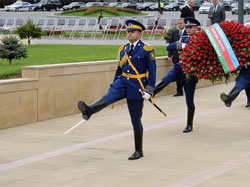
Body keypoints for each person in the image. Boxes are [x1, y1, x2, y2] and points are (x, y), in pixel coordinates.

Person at [77, 20, 156, 160]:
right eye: (128, 31)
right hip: (122, 82)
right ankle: (90, 110)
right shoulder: (123, 49)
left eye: (132, 32)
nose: (129, 33)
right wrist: (114, 83)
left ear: (139, 33)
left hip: (137, 85)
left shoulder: (147, 49)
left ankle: (139, 150)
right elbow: (119, 68)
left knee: (135, 120)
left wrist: (149, 89)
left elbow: (152, 71)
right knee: (109, 97)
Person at [152, 17, 200, 132]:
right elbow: (169, 46)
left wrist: (184, 46)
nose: (188, 29)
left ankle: (189, 124)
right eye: (187, 27)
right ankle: (151, 92)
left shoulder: (200, 39)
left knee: (189, 100)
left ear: (196, 28)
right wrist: (179, 46)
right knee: (167, 79)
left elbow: (198, 50)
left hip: (191, 71)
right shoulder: (183, 38)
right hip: (180, 65)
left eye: (191, 27)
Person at [169, 18, 186, 97]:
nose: (179, 25)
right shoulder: (175, 33)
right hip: (176, 57)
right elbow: (171, 45)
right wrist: (170, 55)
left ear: (184, 24)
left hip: (185, 58)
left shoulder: (187, 32)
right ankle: (179, 91)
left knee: (185, 74)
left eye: (181, 23)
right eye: (178, 23)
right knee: (178, 75)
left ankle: (187, 89)